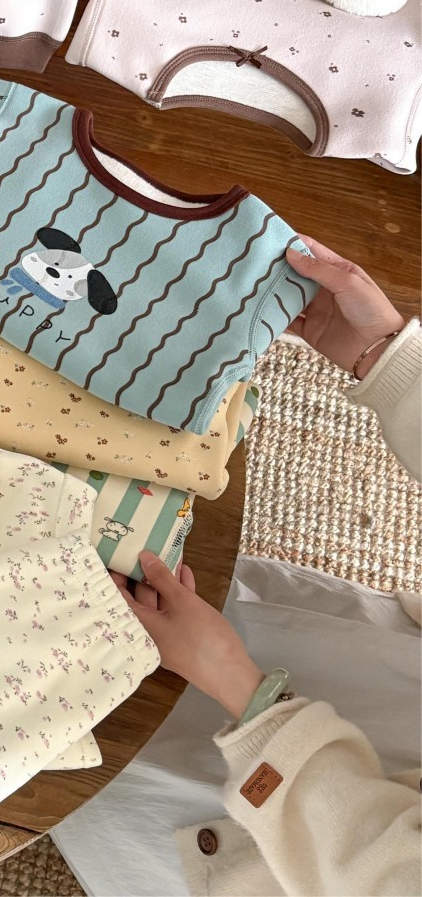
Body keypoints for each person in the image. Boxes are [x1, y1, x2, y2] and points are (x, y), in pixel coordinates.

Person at [113, 236, 421, 896]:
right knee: (205, 589)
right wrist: (389, 361)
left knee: (87, 752)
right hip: (373, 659)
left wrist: (242, 690)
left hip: (276, 843)